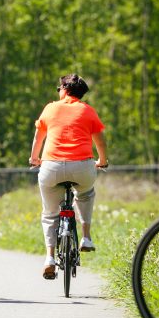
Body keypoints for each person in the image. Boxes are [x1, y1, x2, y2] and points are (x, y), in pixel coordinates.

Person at [29, 73, 109, 279]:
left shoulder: (50, 108)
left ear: (64, 90)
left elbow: (39, 137)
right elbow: (100, 142)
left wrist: (34, 158)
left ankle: (49, 258)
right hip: (82, 167)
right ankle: (87, 237)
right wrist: (102, 161)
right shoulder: (88, 111)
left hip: (51, 167)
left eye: (59, 88)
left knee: (49, 213)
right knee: (85, 194)